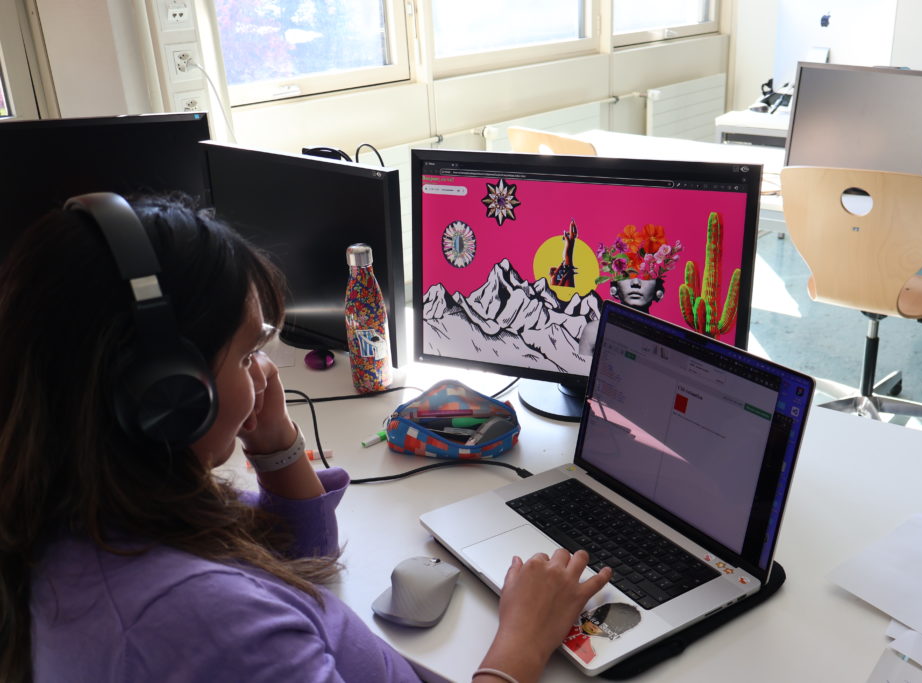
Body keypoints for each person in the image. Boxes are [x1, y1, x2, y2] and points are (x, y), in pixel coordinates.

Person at [0, 193, 611, 683]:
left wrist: (274, 444)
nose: (264, 373)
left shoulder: (96, 511)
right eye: (247, 355)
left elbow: (297, 561)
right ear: (169, 394)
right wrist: (520, 644)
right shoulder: (198, 623)